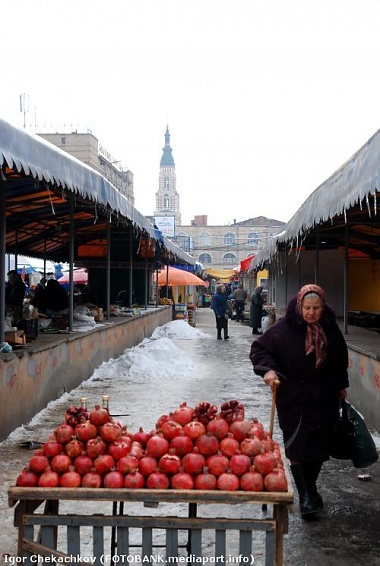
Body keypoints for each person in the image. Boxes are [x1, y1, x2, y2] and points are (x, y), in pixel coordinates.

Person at [249, 284, 349, 517]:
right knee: (297, 447)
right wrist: (268, 371)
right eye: (307, 308)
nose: (311, 313)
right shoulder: (283, 329)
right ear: (299, 306)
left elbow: (340, 357)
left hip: (324, 398)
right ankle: (305, 497)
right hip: (294, 398)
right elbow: (259, 349)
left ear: (323, 307)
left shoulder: (330, 327)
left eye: (316, 308)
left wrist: (342, 385)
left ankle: (310, 489)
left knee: (319, 448)